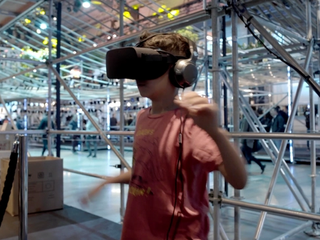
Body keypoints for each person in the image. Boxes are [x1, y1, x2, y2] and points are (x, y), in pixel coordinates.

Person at [82, 32, 247, 239]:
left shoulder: (192, 122)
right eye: (138, 68)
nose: (140, 76)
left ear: (180, 72)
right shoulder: (143, 117)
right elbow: (148, 171)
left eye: (151, 67)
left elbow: (238, 180)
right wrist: (108, 181)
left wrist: (215, 132)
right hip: (136, 230)